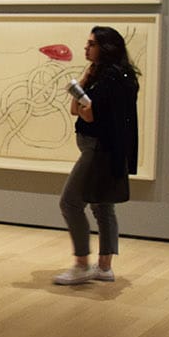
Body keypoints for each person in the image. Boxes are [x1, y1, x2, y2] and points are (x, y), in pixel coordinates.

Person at [54, 25, 139, 285]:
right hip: (108, 148)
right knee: (103, 206)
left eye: (91, 43)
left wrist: (84, 102)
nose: (86, 48)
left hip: (99, 148)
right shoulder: (112, 75)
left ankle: (82, 264)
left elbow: (89, 113)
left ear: (106, 47)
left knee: (70, 202)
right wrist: (83, 86)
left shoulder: (111, 78)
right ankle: (104, 267)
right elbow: (76, 108)